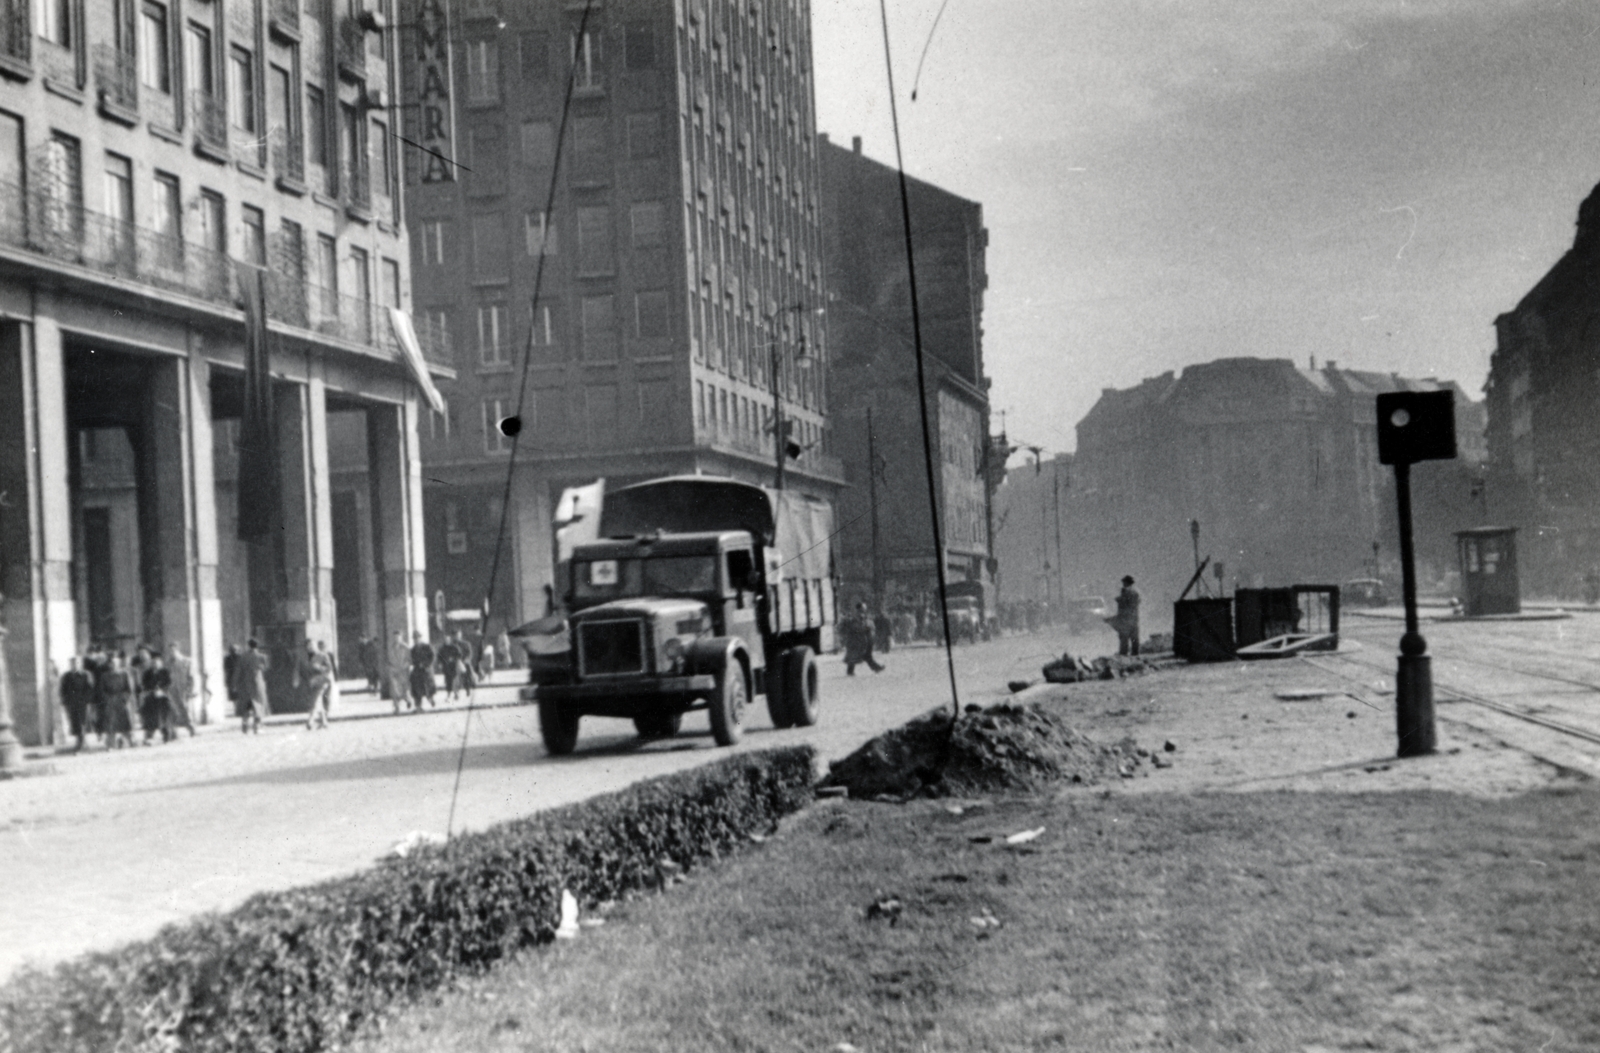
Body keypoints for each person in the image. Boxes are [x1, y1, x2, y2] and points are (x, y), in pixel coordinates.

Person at [99, 653, 137, 749]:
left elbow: (129, 689)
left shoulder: (124, 674)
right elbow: (102, 690)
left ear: (119, 664)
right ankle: (111, 744)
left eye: (115, 663)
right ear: (109, 665)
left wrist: (124, 698)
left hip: (122, 701)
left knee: (125, 722)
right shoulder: (105, 676)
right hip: (110, 702)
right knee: (111, 723)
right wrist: (107, 699)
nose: (113, 665)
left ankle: (130, 741)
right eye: (111, 663)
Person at [59, 656, 96, 753]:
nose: (75, 665)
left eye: (77, 663)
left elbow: (90, 688)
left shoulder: (85, 675)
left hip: (83, 703)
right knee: (74, 723)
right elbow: (63, 690)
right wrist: (65, 702)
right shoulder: (66, 676)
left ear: (81, 664)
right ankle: (80, 742)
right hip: (72, 703)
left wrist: (88, 700)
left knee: (83, 722)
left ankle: (82, 743)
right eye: (73, 663)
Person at [234, 638, 271, 734]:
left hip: (245, 684)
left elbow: (238, 671)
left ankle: (245, 722)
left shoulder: (243, 657)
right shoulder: (262, 657)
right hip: (258, 683)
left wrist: (235, 683)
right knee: (259, 705)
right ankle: (257, 726)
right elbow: (266, 669)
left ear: (248, 645)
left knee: (247, 705)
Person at [295, 639, 333, 731]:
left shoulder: (323, 655)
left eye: (312, 645)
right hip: (311, 682)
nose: (310, 647)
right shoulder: (304, 656)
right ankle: (324, 722)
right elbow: (298, 668)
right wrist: (296, 679)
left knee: (315, 700)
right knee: (317, 700)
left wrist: (319, 667)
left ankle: (310, 721)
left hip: (321, 680)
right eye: (308, 646)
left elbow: (329, 668)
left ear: (316, 645)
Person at [841, 601, 885, 676]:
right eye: (863, 608)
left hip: (862, 640)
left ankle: (851, 671)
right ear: (859, 608)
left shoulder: (862, 616)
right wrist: (865, 628)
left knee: (862, 656)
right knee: (854, 656)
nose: (865, 609)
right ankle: (850, 671)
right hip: (855, 640)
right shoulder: (855, 617)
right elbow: (855, 626)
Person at [139, 654, 174, 744]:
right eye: (153, 662)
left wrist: (162, 690)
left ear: (160, 663)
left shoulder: (165, 672)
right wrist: (150, 691)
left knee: (163, 718)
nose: (155, 664)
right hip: (151, 699)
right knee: (150, 719)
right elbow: (144, 685)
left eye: (156, 662)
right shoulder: (147, 673)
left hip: (163, 698)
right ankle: (149, 737)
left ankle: (167, 736)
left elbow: (169, 683)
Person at [165, 643, 197, 737]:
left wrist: (190, 689)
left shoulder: (186, 661)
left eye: (173, 650)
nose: (171, 652)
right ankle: (172, 732)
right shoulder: (168, 663)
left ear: (178, 650)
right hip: (172, 689)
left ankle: (191, 727)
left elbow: (191, 677)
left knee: (184, 709)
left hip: (183, 689)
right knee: (172, 709)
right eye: (170, 650)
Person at [1110, 575, 1141, 657]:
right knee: (1134, 636)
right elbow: (1137, 602)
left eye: (1124, 582)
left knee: (1124, 637)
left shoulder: (1125, 591)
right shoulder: (1136, 591)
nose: (1123, 584)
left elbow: (1123, 602)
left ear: (1126, 582)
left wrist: (1118, 600)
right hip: (1134, 616)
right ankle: (1135, 653)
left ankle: (1123, 654)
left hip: (1125, 617)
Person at [409, 632, 437, 710]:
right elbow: (412, 660)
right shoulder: (413, 649)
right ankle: (418, 705)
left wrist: (425, 664)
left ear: (420, 638)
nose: (416, 640)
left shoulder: (427, 647)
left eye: (417, 638)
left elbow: (432, 657)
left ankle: (430, 699)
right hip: (418, 670)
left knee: (428, 686)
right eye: (414, 638)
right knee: (416, 687)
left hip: (427, 670)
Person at [388, 630, 412, 713]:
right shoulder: (391, 648)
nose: (396, 638)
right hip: (394, 671)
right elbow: (389, 660)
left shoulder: (406, 647)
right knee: (394, 689)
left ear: (401, 637)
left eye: (398, 637)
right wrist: (391, 668)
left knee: (405, 688)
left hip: (403, 671)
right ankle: (397, 707)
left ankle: (408, 700)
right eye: (395, 637)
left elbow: (409, 659)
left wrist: (406, 666)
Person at [438, 632, 463, 700]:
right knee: (448, 681)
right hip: (446, 667)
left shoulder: (454, 647)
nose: (447, 641)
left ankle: (456, 693)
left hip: (453, 666)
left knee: (455, 680)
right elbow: (439, 656)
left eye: (448, 639)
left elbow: (459, 655)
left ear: (450, 640)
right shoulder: (442, 648)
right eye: (445, 639)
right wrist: (440, 663)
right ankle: (448, 695)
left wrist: (453, 659)